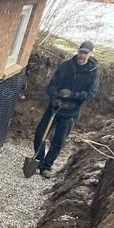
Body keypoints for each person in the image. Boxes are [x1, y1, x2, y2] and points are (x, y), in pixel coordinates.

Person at [33, 40, 100, 178]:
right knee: (40, 134)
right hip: (54, 107)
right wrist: (55, 97)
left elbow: (90, 94)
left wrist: (72, 95)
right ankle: (38, 161)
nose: (82, 55)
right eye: (81, 51)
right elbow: (52, 85)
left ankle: (46, 166)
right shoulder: (66, 66)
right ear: (78, 51)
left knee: (58, 141)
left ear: (91, 54)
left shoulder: (92, 72)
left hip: (71, 112)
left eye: (85, 53)